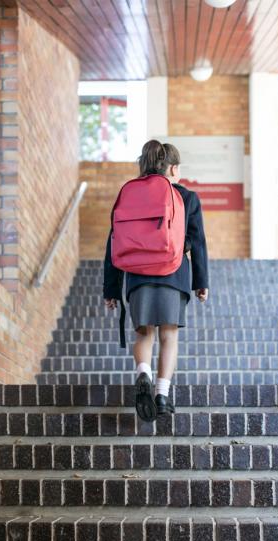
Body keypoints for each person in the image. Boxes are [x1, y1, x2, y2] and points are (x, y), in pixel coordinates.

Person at [103, 140, 209, 421]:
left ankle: (143, 372)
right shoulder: (187, 197)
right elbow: (198, 241)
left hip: (137, 275)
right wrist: (201, 281)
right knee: (169, 336)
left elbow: (112, 242)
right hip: (173, 273)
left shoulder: (131, 194)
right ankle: (162, 395)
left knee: (144, 333)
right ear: (173, 168)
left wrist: (110, 287)